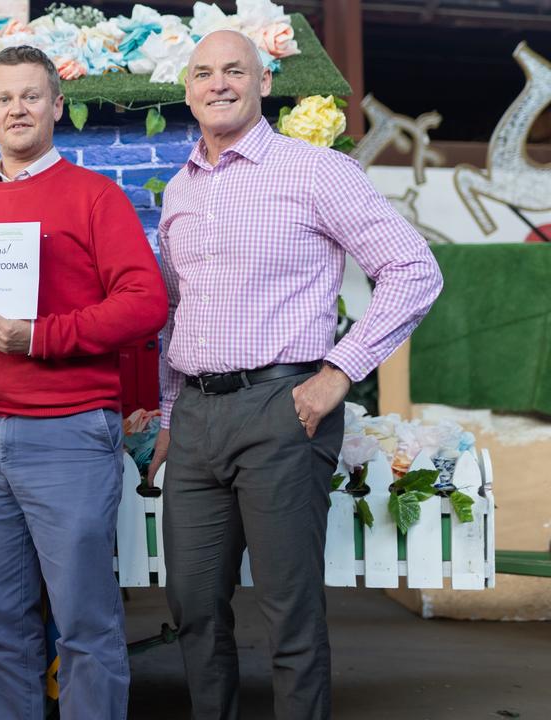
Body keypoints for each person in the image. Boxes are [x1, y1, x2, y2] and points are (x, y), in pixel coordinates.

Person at [151, 30, 443, 719]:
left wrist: (339, 371)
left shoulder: (316, 171)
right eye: (203, 73)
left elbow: (413, 269)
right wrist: (168, 415)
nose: (217, 83)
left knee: (288, 609)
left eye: (234, 70)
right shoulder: (176, 191)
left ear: (264, 85)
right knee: (192, 604)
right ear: (187, 91)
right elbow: (172, 311)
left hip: (284, 405)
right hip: (195, 415)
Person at [0, 46, 168, 719]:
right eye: (4, 98)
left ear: (58, 106)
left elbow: (146, 302)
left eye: (32, 96)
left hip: (69, 434)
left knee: (85, 623)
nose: (17, 109)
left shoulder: (96, 198)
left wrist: (43, 336)